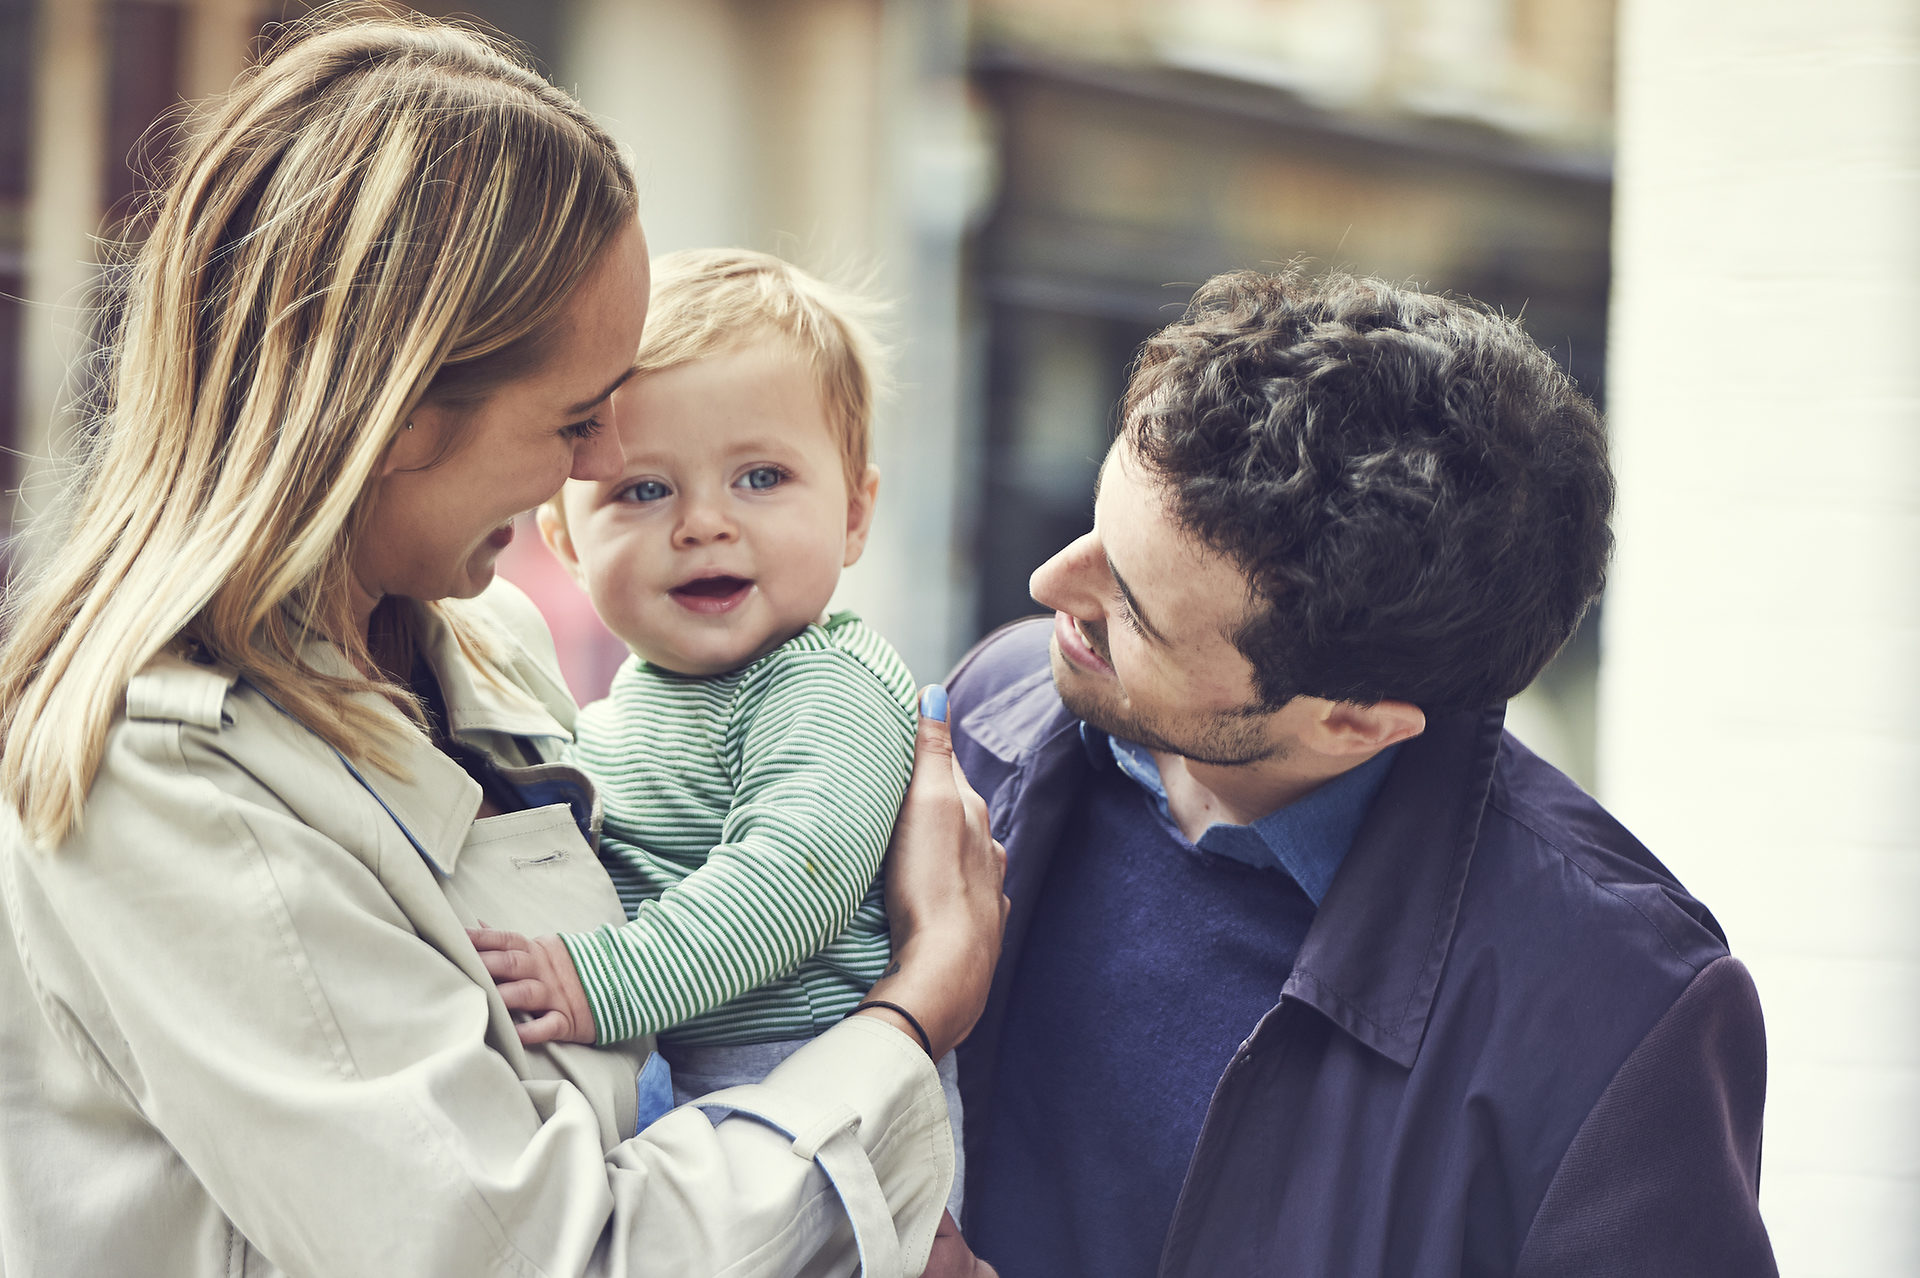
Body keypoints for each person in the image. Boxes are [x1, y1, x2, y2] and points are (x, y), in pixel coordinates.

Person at [0, 14, 1003, 1278]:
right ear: (400, 413)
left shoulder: (492, 652)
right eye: (577, 420)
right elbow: (543, 1254)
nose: (595, 468)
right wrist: (921, 1005)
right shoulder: (158, 788)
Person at [947, 268, 1776, 1277]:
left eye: (1133, 607)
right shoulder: (992, 713)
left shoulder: (1619, 1017)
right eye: (1100, 528)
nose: (1048, 588)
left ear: (1353, 722)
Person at [469, 249, 967, 1216]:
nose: (703, 523)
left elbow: (790, 881)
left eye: (761, 477)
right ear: (566, 542)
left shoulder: (828, 682)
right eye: (644, 491)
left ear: (856, 512)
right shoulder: (611, 717)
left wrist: (596, 981)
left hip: (827, 1082)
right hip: (681, 1078)